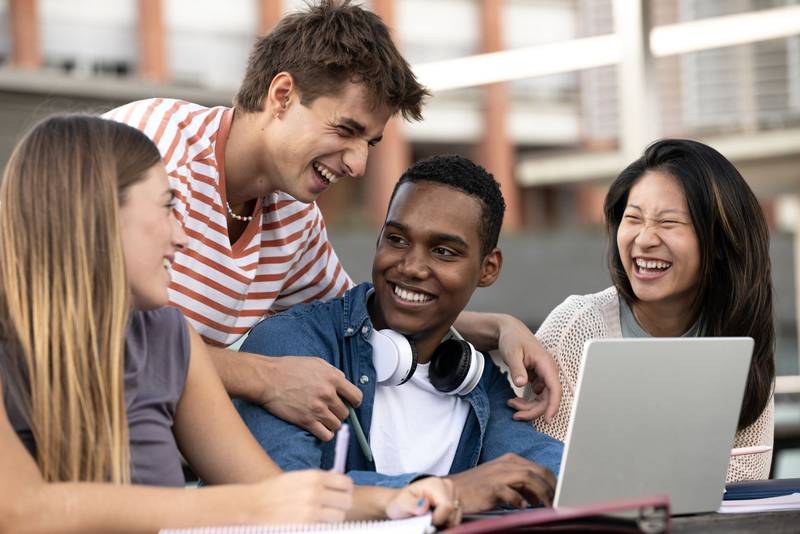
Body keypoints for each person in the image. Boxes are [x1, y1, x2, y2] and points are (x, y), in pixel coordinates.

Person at [104, 0, 561, 442]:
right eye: (345, 130)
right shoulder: (151, 149)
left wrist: (498, 328)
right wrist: (261, 377)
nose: (358, 164)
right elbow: (83, 326)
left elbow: (363, 315)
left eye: (372, 143)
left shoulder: (294, 216)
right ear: (282, 95)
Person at [0, 115, 460, 532]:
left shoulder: (170, 338)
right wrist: (254, 505)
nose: (181, 236)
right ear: (97, 216)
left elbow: (269, 490)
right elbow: (22, 510)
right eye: (166, 208)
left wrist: (397, 499)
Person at [237, 155, 564, 515]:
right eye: (397, 239)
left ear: (488, 268)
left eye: (442, 251)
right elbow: (279, 494)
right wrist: (445, 491)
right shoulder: (291, 346)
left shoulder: (477, 380)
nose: (410, 267)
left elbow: (540, 472)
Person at [529, 139, 774, 482]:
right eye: (633, 218)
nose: (644, 239)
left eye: (669, 223)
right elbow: (541, 466)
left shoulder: (739, 332)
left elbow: (747, 473)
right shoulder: (576, 326)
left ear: (718, 242)